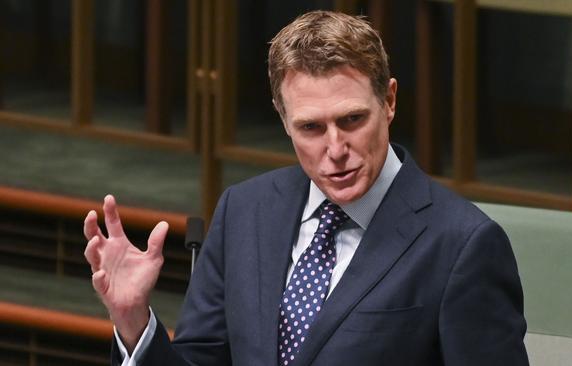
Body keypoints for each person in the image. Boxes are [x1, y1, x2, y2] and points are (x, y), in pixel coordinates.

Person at [84, 10, 529, 366]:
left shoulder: (463, 245)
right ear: (282, 118)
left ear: (389, 101)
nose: (335, 149)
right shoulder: (245, 210)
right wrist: (133, 320)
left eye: (352, 120)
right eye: (311, 127)